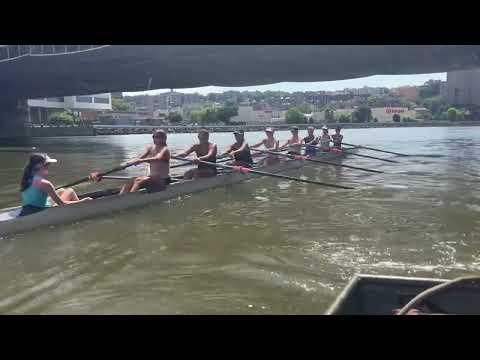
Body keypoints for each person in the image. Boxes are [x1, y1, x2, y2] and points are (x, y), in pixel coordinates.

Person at [91, 129, 171, 194]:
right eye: (153, 136)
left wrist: (141, 160)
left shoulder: (165, 149)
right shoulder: (151, 148)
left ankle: (130, 200)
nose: (154, 139)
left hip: (163, 180)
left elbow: (157, 158)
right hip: (152, 178)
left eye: (157, 137)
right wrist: (127, 164)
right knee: (130, 180)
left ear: (164, 138)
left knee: (138, 181)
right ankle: (120, 198)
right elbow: (139, 158)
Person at [18, 153, 92, 217]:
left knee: (62, 190)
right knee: (70, 190)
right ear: (40, 167)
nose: (49, 166)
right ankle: (80, 212)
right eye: (47, 165)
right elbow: (61, 204)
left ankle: (77, 209)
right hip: (41, 212)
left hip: (26, 210)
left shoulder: (27, 178)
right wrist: (83, 201)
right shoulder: (45, 183)